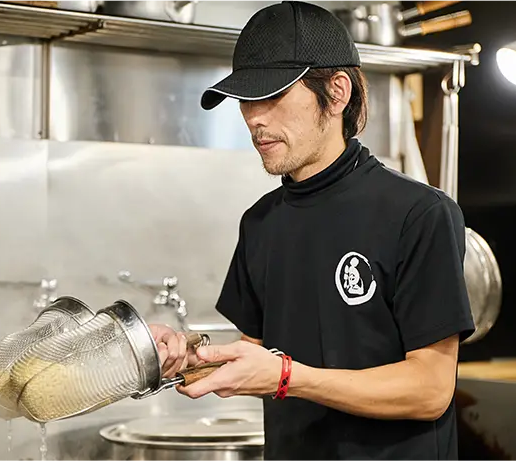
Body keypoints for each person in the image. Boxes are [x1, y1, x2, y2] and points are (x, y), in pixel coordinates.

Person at [150, 1, 475, 460]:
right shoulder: (261, 223)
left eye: (273, 96)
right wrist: (186, 357)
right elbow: (252, 357)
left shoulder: (419, 214)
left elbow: (430, 390)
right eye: (246, 99)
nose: (255, 118)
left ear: (337, 93)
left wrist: (288, 377)